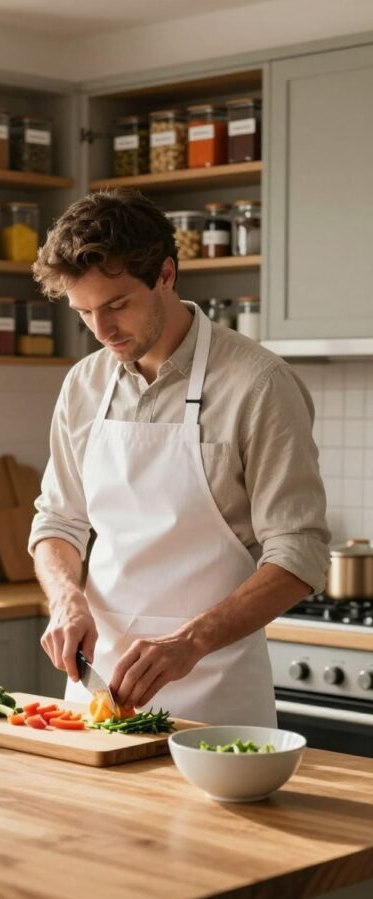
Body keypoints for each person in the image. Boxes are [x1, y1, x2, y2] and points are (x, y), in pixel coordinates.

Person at [28, 188, 330, 725]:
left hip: (218, 697)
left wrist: (191, 641)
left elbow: (298, 556)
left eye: (117, 305)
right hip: (98, 692)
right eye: (85, 313)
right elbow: (58, 521)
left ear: (166, 275)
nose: (102, 331)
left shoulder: (258, 384)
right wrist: (66, 598)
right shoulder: (85, 384)